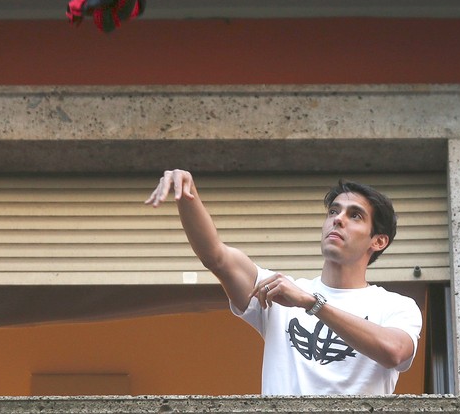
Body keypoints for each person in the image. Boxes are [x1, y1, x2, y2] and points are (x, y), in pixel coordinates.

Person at [145, 169, 422, 395]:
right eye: (333, 211)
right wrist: (187, 195)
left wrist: (313, 304)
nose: (338, 219)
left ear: (378, 240)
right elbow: (216, 256)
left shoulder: (395, 306)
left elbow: (395, 352)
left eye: (355, 215)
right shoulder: (278, 291)